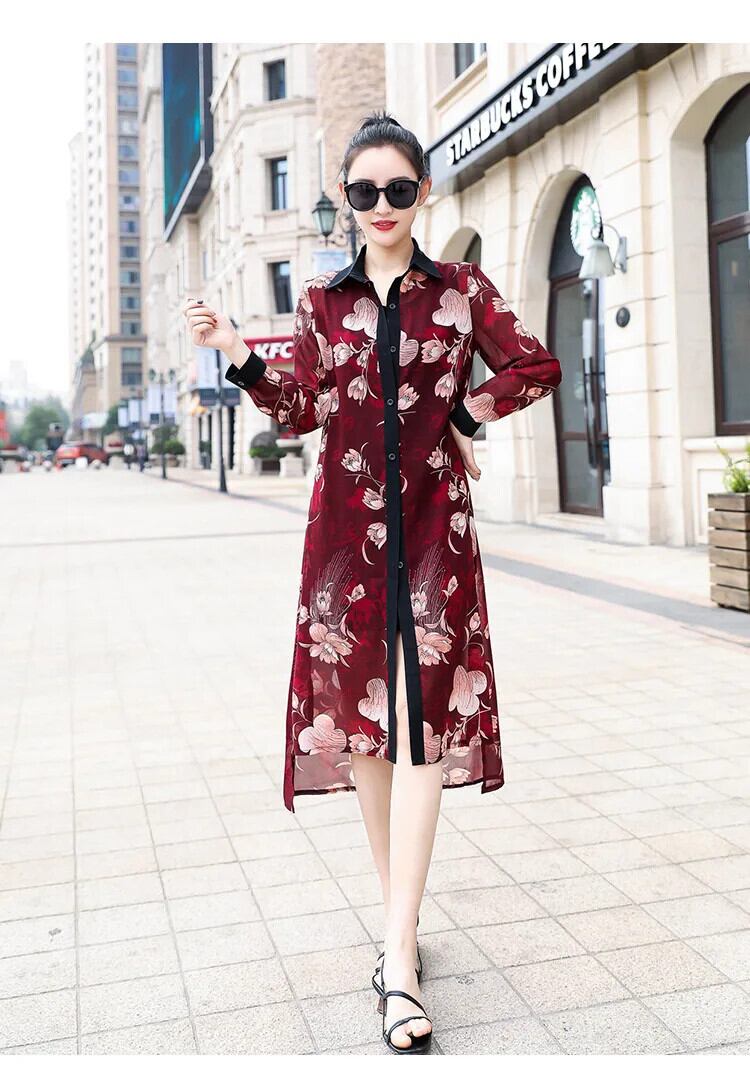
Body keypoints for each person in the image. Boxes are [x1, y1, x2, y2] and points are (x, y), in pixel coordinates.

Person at [183, 110, 562, 1054]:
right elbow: (301, 408)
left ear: (423, 192)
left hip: (435, 535)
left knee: (423, 721)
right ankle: (402, 929)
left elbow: (536, 365)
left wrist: (463, 420)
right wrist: (238, 354)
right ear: (346, 200)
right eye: (364, 191)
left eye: (399, 188)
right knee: (363, 730)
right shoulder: (322, 302)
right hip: (345, 541)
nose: (382, 204)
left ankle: (397, 954)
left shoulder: (461, 291)